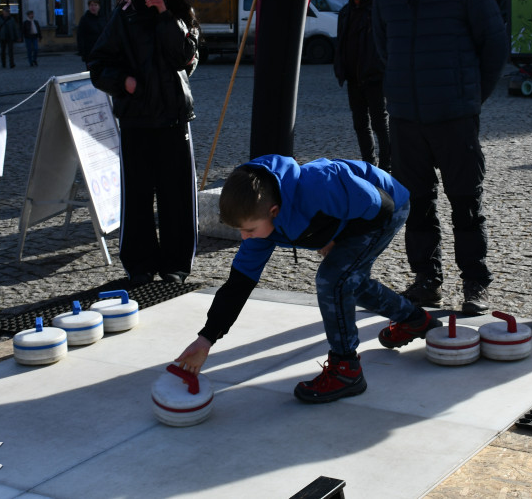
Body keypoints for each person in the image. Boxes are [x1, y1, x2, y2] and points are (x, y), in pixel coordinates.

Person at [175, 155, 441, 403]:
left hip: (385, 207)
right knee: (349, 280)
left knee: (334, 278)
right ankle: (415, 320)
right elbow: (238, 284)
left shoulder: (319, 185)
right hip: (358, 211)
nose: (245, 237)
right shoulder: (260, 221)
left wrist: (337, 240)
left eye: (249, 229)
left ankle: (345, 369)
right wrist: (206, 339)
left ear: (274, 211)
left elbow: (381, 206)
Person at [373, 0, 510, 315]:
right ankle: (427, 281)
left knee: (466, 202)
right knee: (415, 204)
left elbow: (494, 47)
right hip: (406, 118)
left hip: (454, 116)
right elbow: (385, 50)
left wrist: (469, 98)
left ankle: (475, 282)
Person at [88, 0, 200, 286]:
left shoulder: (182, 12)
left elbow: (184, 59)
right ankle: (139, 266)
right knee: (137, 196)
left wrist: (166, 16)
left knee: (176, 196)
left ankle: (175, 266)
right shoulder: (123, 14)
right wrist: (124, 82)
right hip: (136, 120)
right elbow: (98, 64)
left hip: (173, 120)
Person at [335, 0, 391, 171]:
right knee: (360, 125)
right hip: (353, 78)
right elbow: (341, 42)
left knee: (380, 123)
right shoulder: (345, 12)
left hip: (375, 77)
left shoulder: (378, 9)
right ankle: (370, 163)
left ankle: (386, 164)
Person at [77, 0, 107, 64]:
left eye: (95, 5)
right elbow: (80, 35)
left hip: (102, 50)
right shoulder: (84, 19)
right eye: (91, 5)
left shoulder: (103, 18)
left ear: (99, 6)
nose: (93, 7)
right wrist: (82, 52)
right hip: (90, 51)